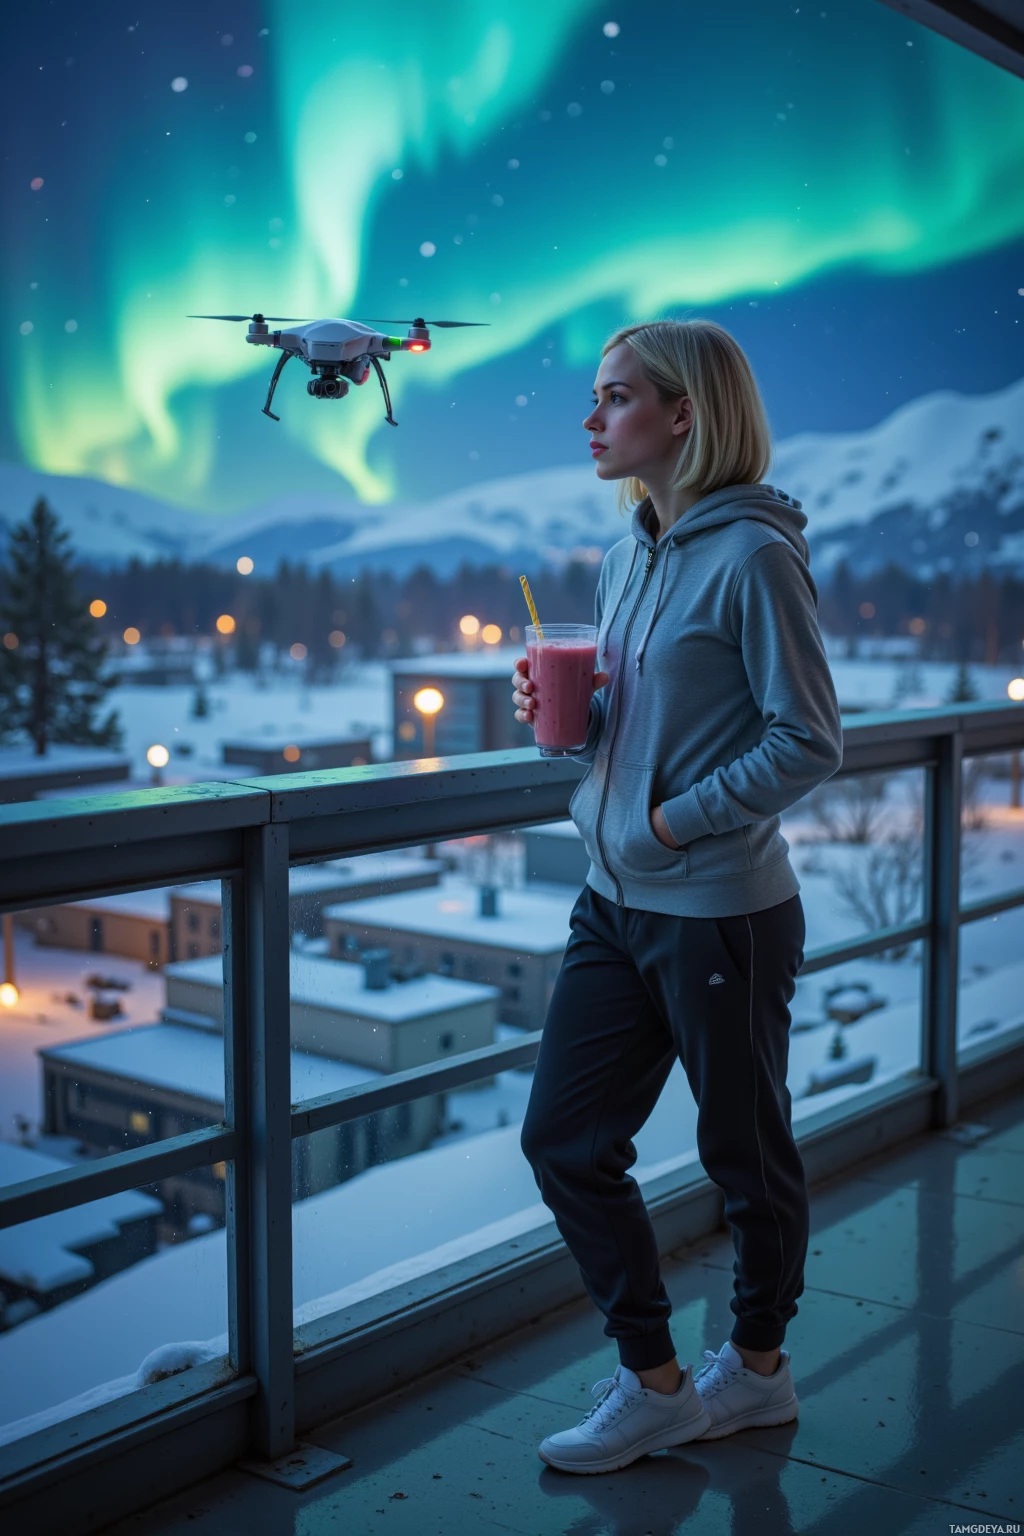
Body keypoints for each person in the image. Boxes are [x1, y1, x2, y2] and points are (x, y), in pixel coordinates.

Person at [511, 318, 843, 1475]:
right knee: (562, 1137)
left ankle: (757, 1372)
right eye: (595, 398)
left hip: (721, 910)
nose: (591, 419)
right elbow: (650, 724)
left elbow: (807, 739)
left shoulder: (753, 554)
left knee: (742, 1153)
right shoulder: (626, 555)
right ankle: (654, 1384)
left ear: (683, 414)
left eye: (613, 397)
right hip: (612, 901)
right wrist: (575, 725)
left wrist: (668, 819)